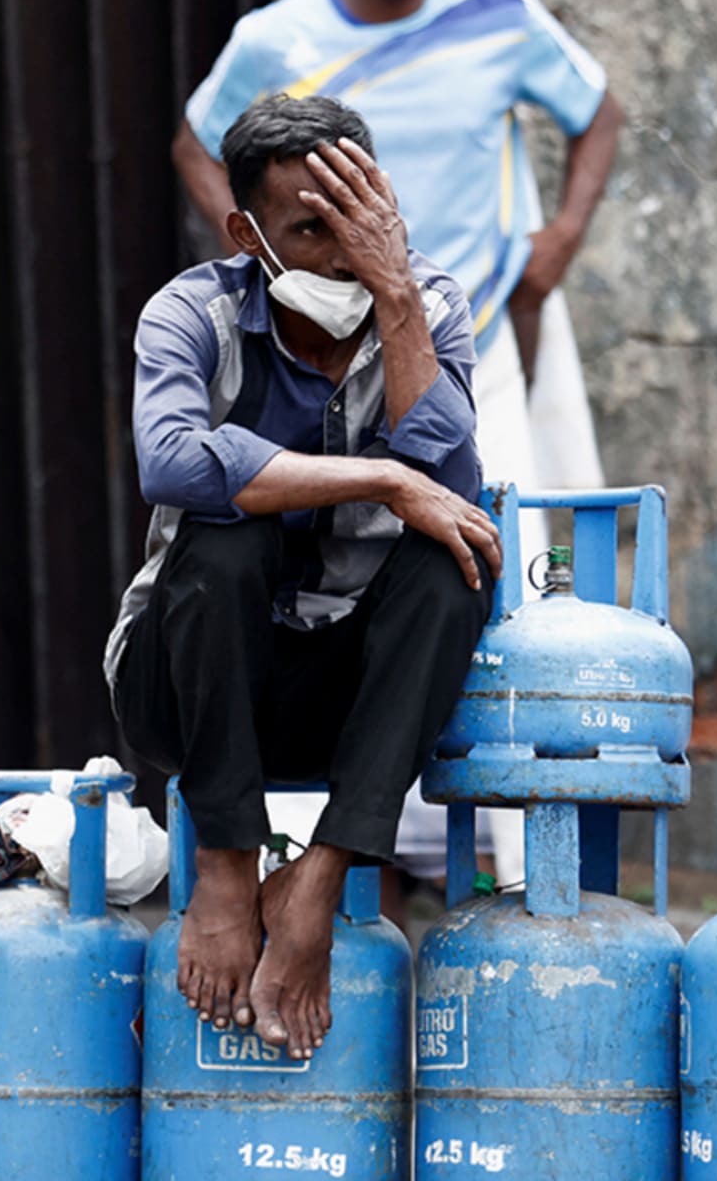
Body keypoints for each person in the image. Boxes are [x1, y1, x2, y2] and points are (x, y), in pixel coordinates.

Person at [179, 0, 619, 884]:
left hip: (468, 342)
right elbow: (195, 145)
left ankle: (519, 871)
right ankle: (329, 852)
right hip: (320, 356)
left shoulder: (502, 17)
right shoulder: (275, 36)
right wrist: (257, 255)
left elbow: (599, 111)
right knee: (289, 569)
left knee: (497, 572)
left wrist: (560, 242)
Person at [108, 94, 497, 1058]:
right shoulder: (192, 312)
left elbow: (451, 483)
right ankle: (230, 869)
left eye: (363, 220)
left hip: (354, 708)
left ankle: (319, 879)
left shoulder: (429, 304)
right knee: (227, 534)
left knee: (450, 561)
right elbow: (171, 463)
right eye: (312, 230)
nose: (342, 254)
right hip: (188, 691)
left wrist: (396, 294)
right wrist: (379, 474)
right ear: (248, 235)